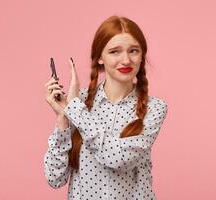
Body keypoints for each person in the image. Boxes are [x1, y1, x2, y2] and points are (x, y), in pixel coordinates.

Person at [43, 15, 168, 200]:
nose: (126, 60)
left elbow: (117, 158)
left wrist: (75, 110)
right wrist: (62, 117)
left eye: (133, 51)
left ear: (142, 56)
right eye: (115, 51)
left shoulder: (155, 108)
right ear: (99, 57)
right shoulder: (78, 103)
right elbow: (55, 178)